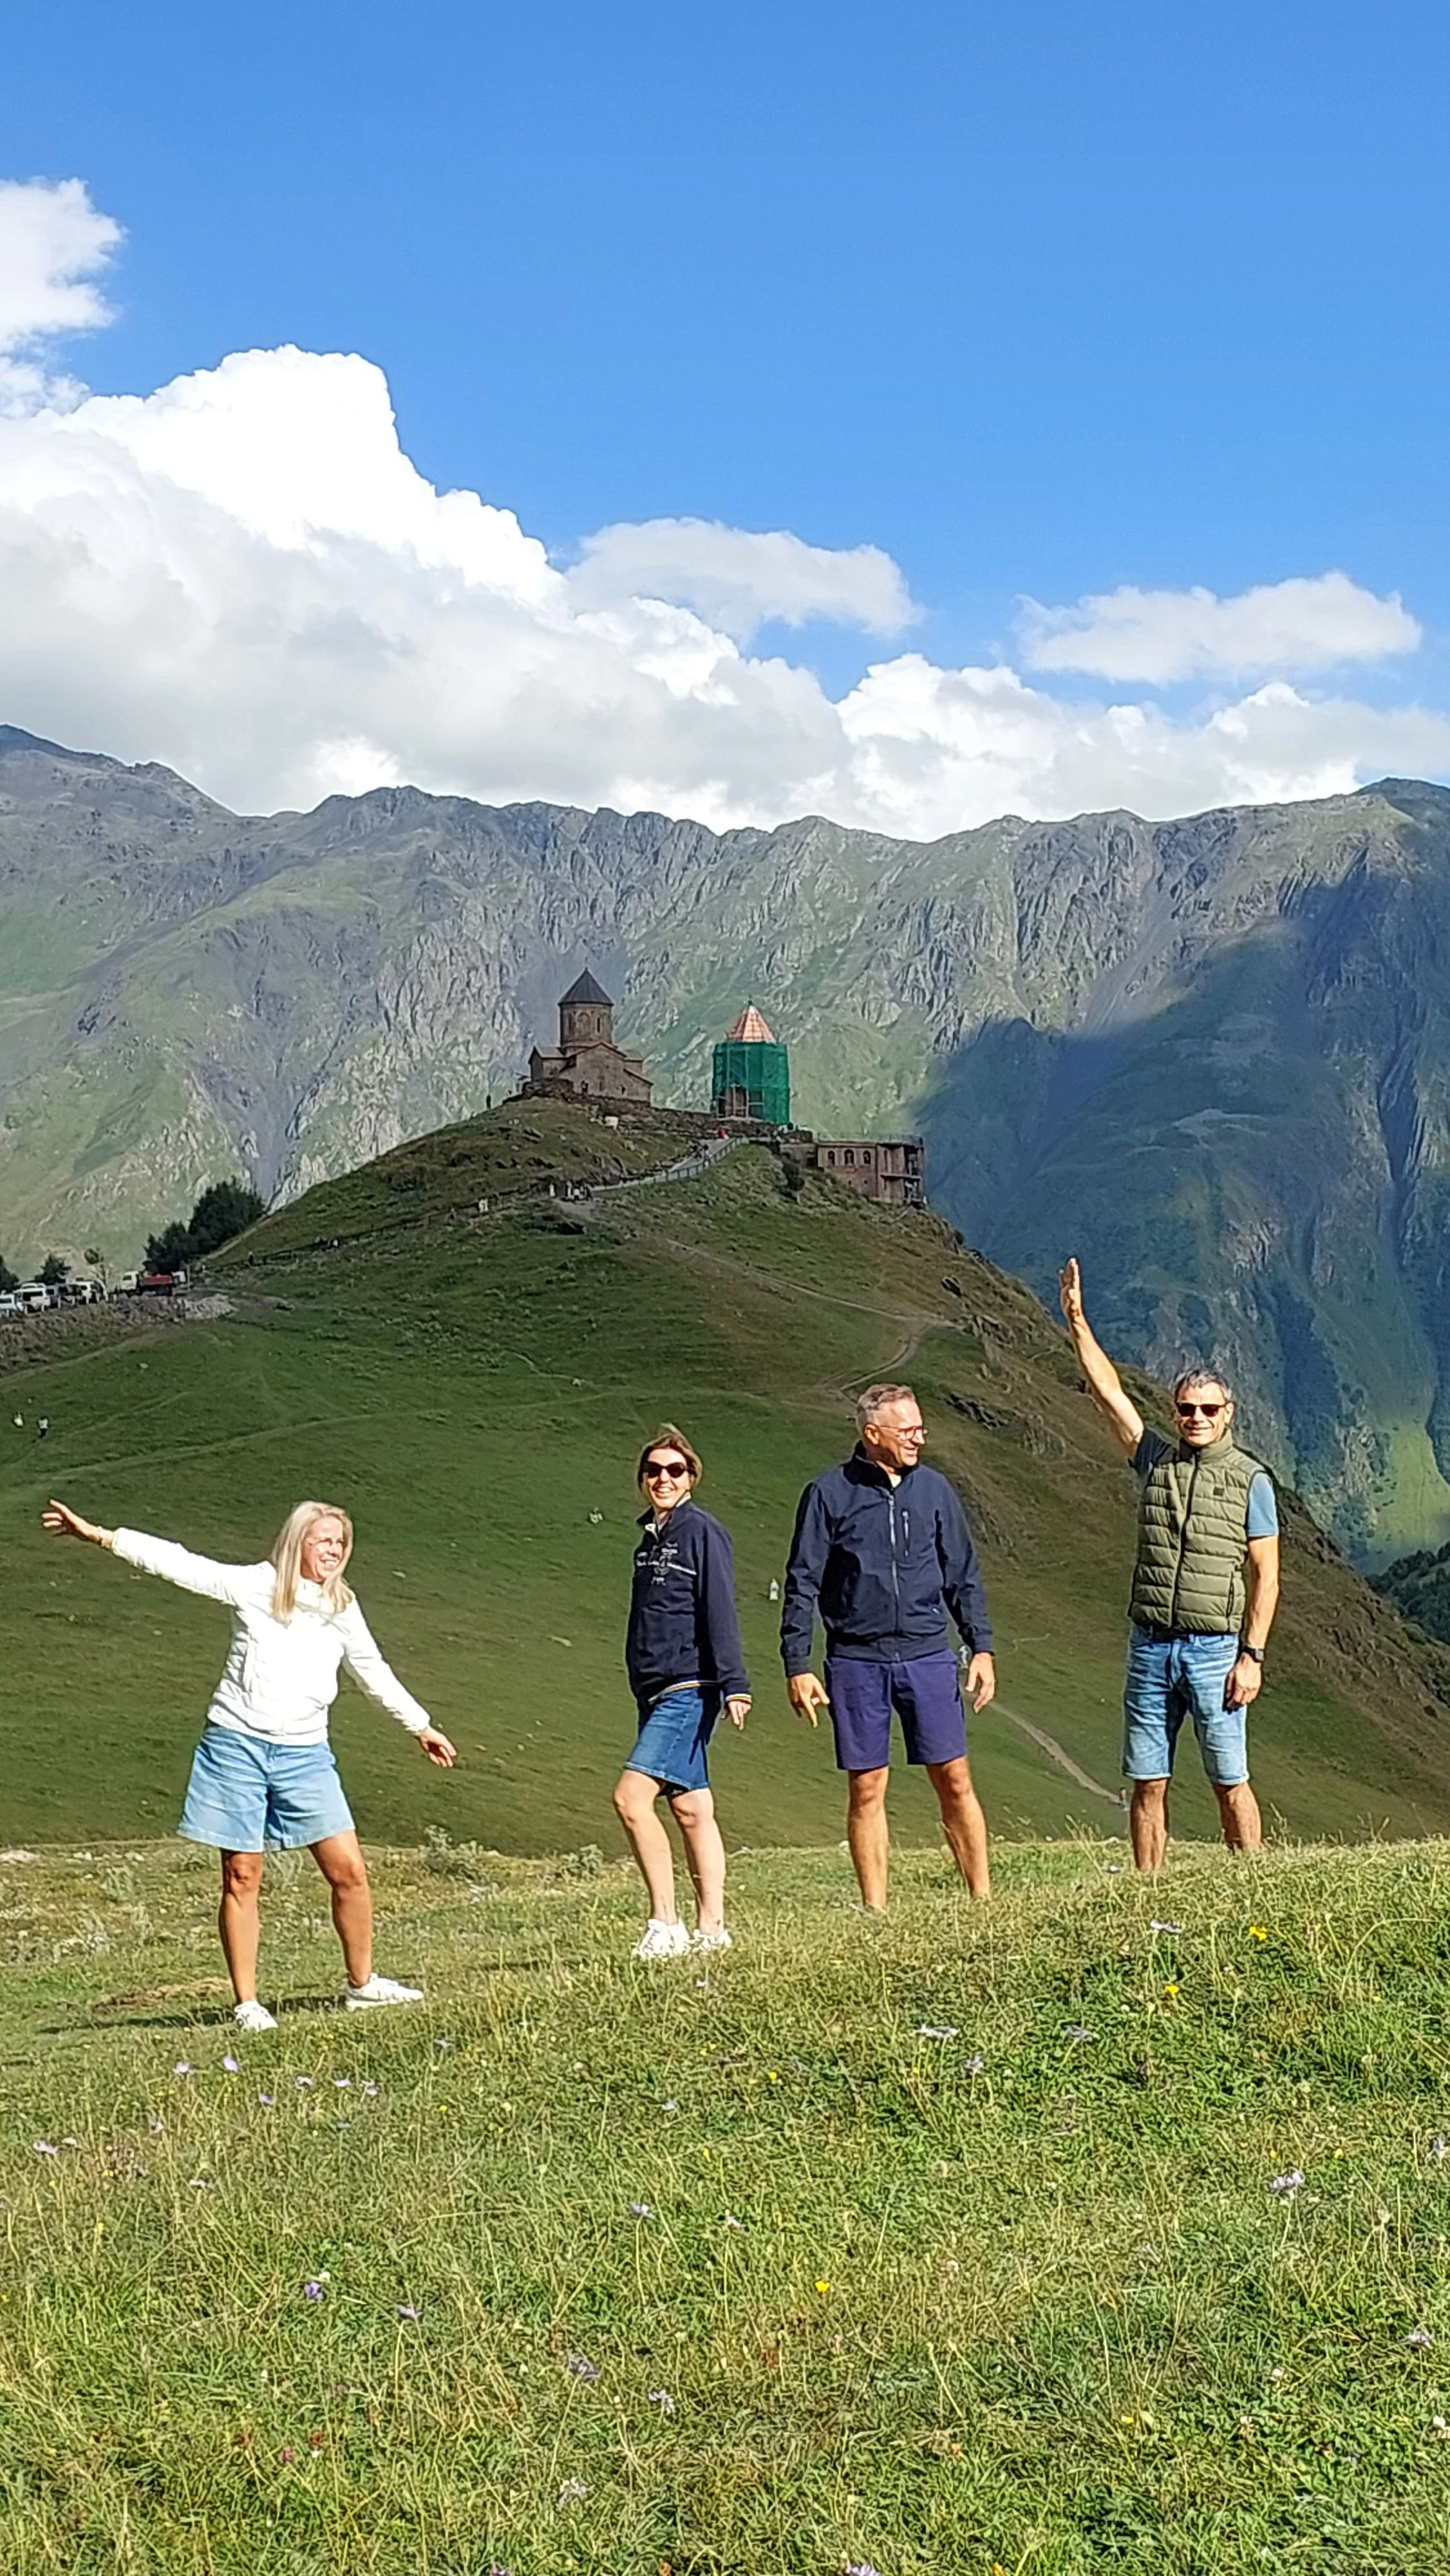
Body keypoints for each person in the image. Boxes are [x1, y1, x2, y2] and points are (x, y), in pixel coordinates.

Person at [41, 1497, 457, 2028]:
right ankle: (248, 2004)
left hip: (306, 1754)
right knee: (243, 1874)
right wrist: (100, 1535)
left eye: (341, 1543)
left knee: (349, 1871)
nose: (333, 1550)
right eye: (323, 1540)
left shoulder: (341, 1608)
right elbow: (180, 1564)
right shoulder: (256, 1586)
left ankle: (362, 1984)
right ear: (297, 1542)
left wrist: (419, 1725)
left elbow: (372, 1670)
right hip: (236, 1746)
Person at [1057, 1258, 1280, 1870]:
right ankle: (1147, 1890)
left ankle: (1252, 1883)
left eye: (1209, 1410)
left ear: (1228, 1413)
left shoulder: (1250, 1480)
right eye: (1186, 1410)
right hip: (1151, 1645)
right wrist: (1077, 1321)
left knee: (1228, 1776)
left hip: (1216, 1651)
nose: (1197, 1419)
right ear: (1176, 1412)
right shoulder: (1154, 1461)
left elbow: (1267, 1576)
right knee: (1147, 1779)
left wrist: (1251, 1657)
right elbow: (1110, 1395)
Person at [780, 1383, 995, 1910]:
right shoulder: (828, 1494)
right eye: (908, 1431)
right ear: (872, 1434)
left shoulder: (936, 1491)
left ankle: (982, 1898)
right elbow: (802, 1581)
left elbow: (962, 1575)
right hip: (856, 1661)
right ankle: (876, 1909)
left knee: (954, 1776)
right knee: (867, 1786)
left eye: (921, 1429)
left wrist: (981, 1647)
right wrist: (797, 1663)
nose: (920, 1439)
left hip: (927, 1653)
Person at [613, 1425, 751, 1960]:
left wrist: (735, 1684)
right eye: (653, 1471)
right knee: (692, 1808)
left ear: (691, 1476)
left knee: (630, 1799)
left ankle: (665, 1924)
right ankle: (713, 1931)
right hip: (654, 1689)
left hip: (691, 1686)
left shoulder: (701, 1532)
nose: (662, 1479)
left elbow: (720, 1608)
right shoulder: (649, 1539)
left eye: (674, 1470)